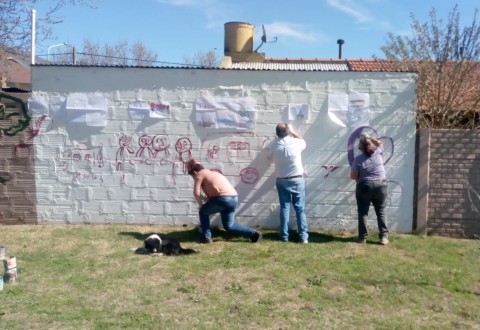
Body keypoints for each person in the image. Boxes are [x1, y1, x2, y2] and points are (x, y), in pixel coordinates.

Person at [187, 159, 262, 244]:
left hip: (222, 198)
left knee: (203, 212)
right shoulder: (213, 173)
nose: (194, 178)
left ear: (195, 173)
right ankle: (254, 234)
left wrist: (201, 205)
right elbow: (212, 194)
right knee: (229, 226)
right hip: (233, 198)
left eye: (192, 176)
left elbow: (196, 193)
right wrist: (204, 199)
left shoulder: (199, 174)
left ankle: (206, 237)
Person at [266, 123, 309, 243]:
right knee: (300, 208)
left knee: (285, 208)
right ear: (288, 131)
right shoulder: (296, 142)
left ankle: (284, 236)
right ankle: (303, 237)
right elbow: (302, 141)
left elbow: (268, 157)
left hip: (282, 179)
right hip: (297, 178)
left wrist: (276, 141)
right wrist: (293, 131)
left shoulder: (274, 145)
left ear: (277, 133)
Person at [350, 133, 389, 245]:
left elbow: (353, 176)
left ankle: (362, 238)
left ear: (360, 148)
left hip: (365, 186)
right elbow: (380, 143)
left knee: (363, 212)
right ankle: (384, 237)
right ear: (371, 146)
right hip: (380, 185)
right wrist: (370, 138)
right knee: (381, 212)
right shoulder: (378, 153)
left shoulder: (358, 159)